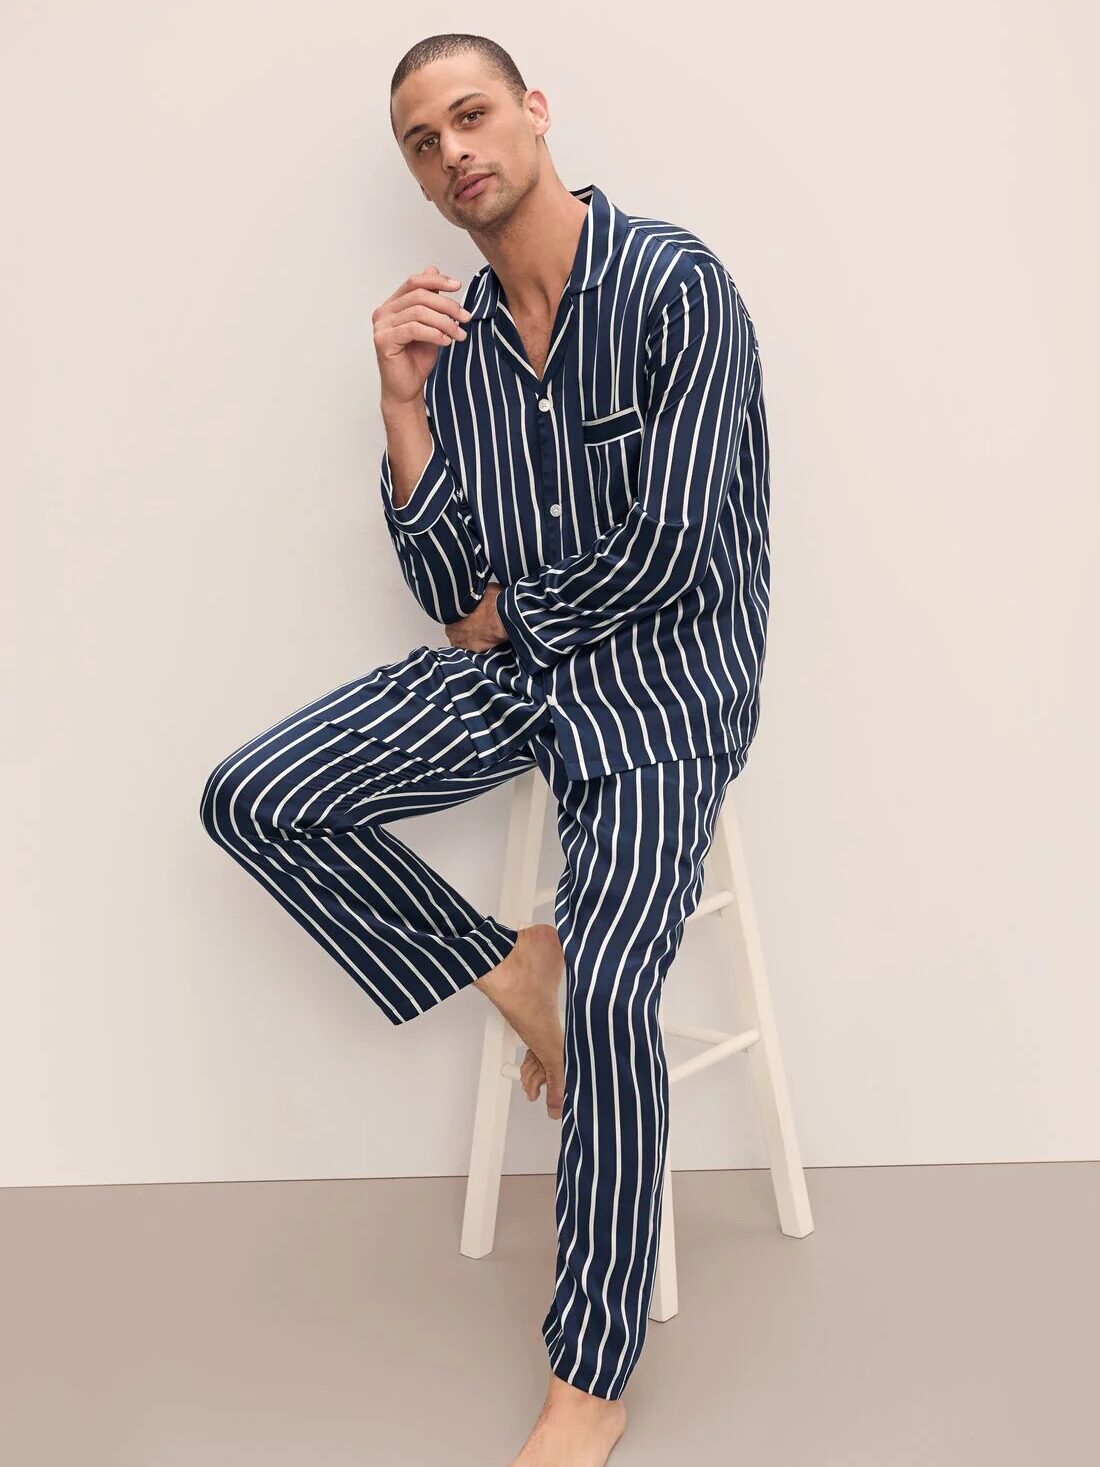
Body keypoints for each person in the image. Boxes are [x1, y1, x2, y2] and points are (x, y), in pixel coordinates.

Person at [200, 30, 771, 1467]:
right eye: (422, 139)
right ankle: (520, 970)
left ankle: (591, 1376)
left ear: (532, 113)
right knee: (255, 795)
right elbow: (448, 590)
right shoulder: (447, 336)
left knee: (624, 993)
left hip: (663, 696)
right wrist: (400, 408)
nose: (453, 149)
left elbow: (676, 550)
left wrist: (506, 619)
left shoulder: (672, 288)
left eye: (471, 115)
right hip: (515, 677)